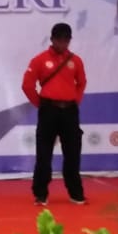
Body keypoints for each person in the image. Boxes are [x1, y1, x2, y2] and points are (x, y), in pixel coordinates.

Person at [21, 22, 88, 205]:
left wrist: (76, 100)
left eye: (66, 40)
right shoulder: (39, 60)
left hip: (70, 111)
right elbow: (27, 85)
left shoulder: (76, 61)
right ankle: (40, 193)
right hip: (48, 109)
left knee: (73, 152)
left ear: (69, 40)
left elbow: (81, 82)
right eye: (59, 39)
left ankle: (76, 192)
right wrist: (40, 104)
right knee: (44, 153)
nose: (63, 43)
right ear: (52, 40)